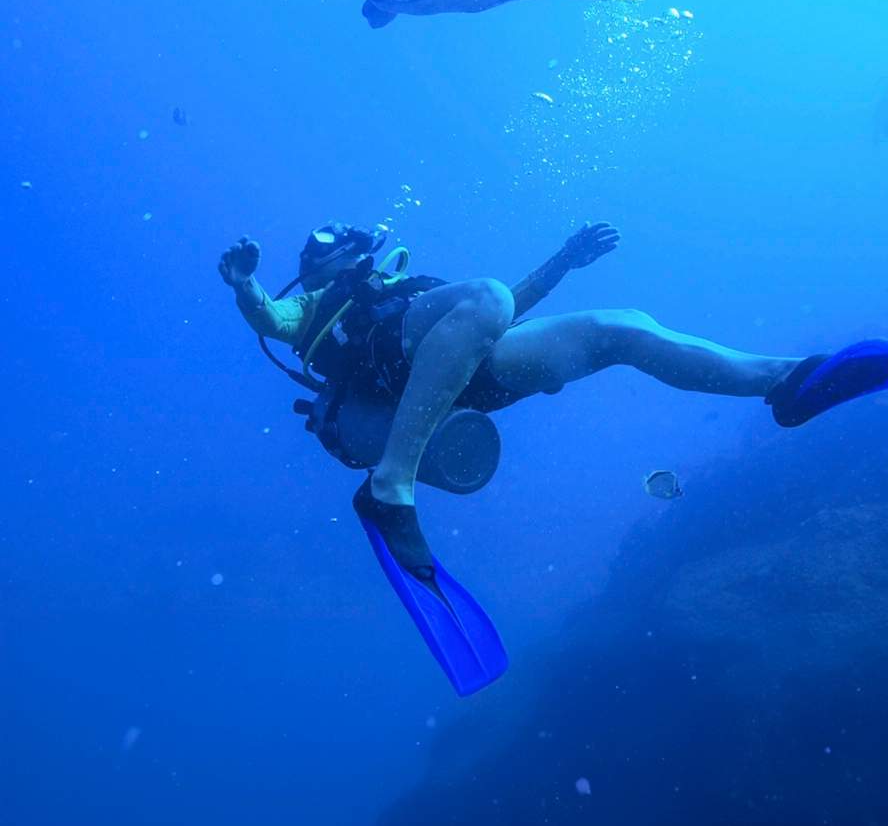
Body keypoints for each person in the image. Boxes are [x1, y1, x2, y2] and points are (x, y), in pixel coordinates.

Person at [219, 219, 812, 575]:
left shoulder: (397, 284)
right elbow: (270, 319)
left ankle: (782, 380)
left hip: (465, 378)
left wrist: (564, 262)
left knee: (620, 326)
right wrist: (247, 284)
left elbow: (499, 311)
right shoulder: (314, 306)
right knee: (489, 293)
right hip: (388, 391)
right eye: (325, 242)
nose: (340, 242)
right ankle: (391, 484)